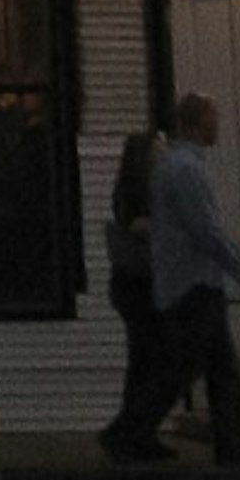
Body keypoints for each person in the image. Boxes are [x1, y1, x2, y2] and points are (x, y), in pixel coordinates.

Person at [142, 92, 240, 464]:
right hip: (194, 284)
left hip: (185, 283)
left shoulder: (173, 167)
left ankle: (230, 450)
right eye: (214, 119)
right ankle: (132, 429)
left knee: (213, 369)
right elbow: (206, 232)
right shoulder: (187, 170)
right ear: (199, 122)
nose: (219, 126)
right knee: (197, 369)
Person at [96, 131, 174, 461]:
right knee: (151, 361)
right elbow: (140, 227)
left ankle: (137, 431)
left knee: (145, 362)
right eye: (158, 149)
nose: (164, 154)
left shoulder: (152, 189)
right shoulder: (135, 192)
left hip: (140, 284)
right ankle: (128, 431)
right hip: (139, 285)